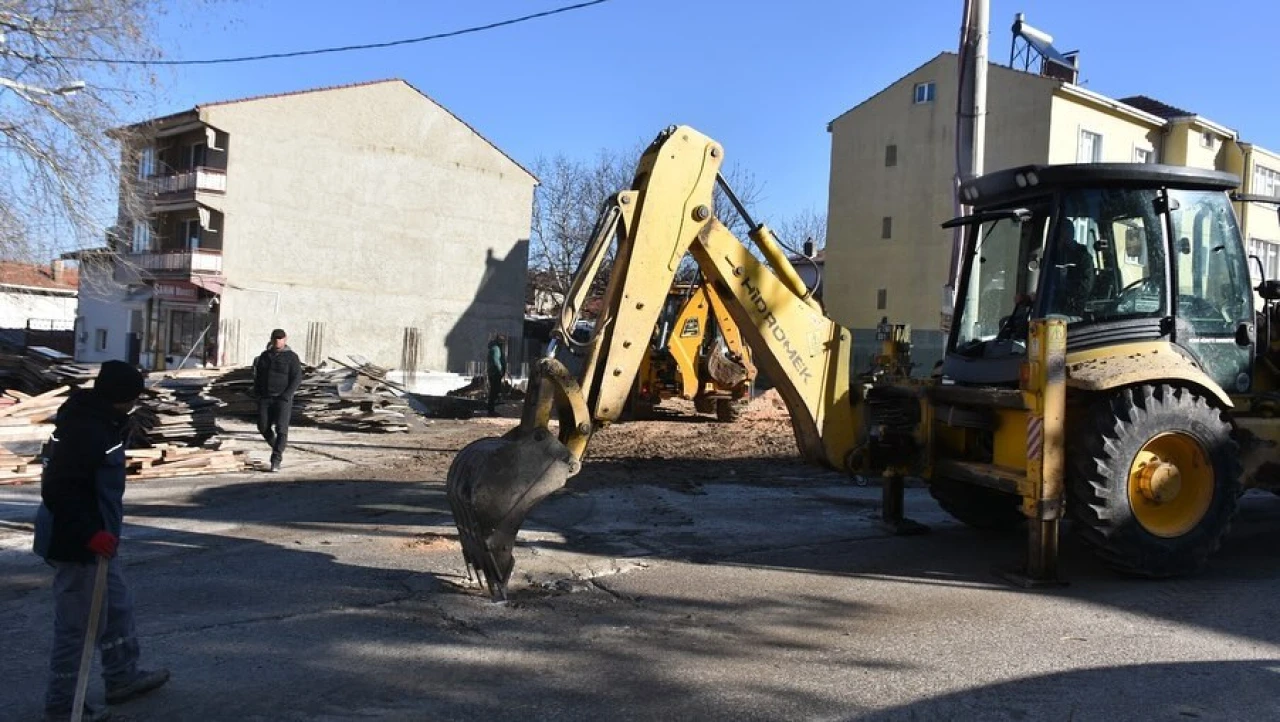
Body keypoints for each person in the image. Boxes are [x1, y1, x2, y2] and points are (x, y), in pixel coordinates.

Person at [33, 360, 170, 722]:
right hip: (76, 542)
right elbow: (59, 490)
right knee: (77, 627)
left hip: (100, 538)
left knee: (117, 607)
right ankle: (64, 706)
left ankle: (121, 677)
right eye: (133, 398)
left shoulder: (102, 420)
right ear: (121, 398)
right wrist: (89, 534)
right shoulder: (85, 430)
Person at [253, 329, 302, 472]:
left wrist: (287, 395)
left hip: (282, 399)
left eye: (280, 338)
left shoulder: (291, 357)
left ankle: (276, 459)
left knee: (281, 429)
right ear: (271, 339)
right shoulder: (264, 356)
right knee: (263, 426)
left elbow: (297, 378)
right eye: (275, 338)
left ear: (285, 339)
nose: (278, 341)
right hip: (265, 397)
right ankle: (277, 446)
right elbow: (258, 376)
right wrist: (257, 393)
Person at [1050, 222, 1095, 317]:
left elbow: (1085, 286)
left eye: (1064, 233)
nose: (1061, 238)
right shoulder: (1051, 256)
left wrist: (1066, 291)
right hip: (1050, 309)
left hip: (1073, 312)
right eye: (1059, 234)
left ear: (1071, 234)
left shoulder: (1083, 257)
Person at [486, 334, 507, 416]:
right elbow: (496, 360)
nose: (503, 343)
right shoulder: (496, 349)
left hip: (494, 373)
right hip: (495, 373)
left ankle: (491, 410)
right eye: (502, 342)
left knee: (494, 391)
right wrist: (500, 370)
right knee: (494, 392)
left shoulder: (496, 348)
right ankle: (491, 411)